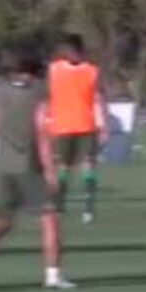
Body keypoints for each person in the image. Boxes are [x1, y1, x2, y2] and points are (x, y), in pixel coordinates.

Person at [0, 50, 72, 290]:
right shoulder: (39, 92)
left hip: (5, 164)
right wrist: (49, 169)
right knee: (50, 218)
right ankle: (53, 275)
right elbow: (42, 132)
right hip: (30, 164)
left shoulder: (2, 88)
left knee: (4, 219)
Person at [48, 35, 108, 223]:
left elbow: (99, 98)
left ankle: (88, 208)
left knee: (88, 166)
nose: (69, 54)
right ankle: (59, 205)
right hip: (61, 127)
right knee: (62, 168)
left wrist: (104, 125)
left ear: (80, 51)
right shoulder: (54, 70)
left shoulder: (91, 71)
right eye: (66, 50)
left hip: (85, 126)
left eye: (72, 50)